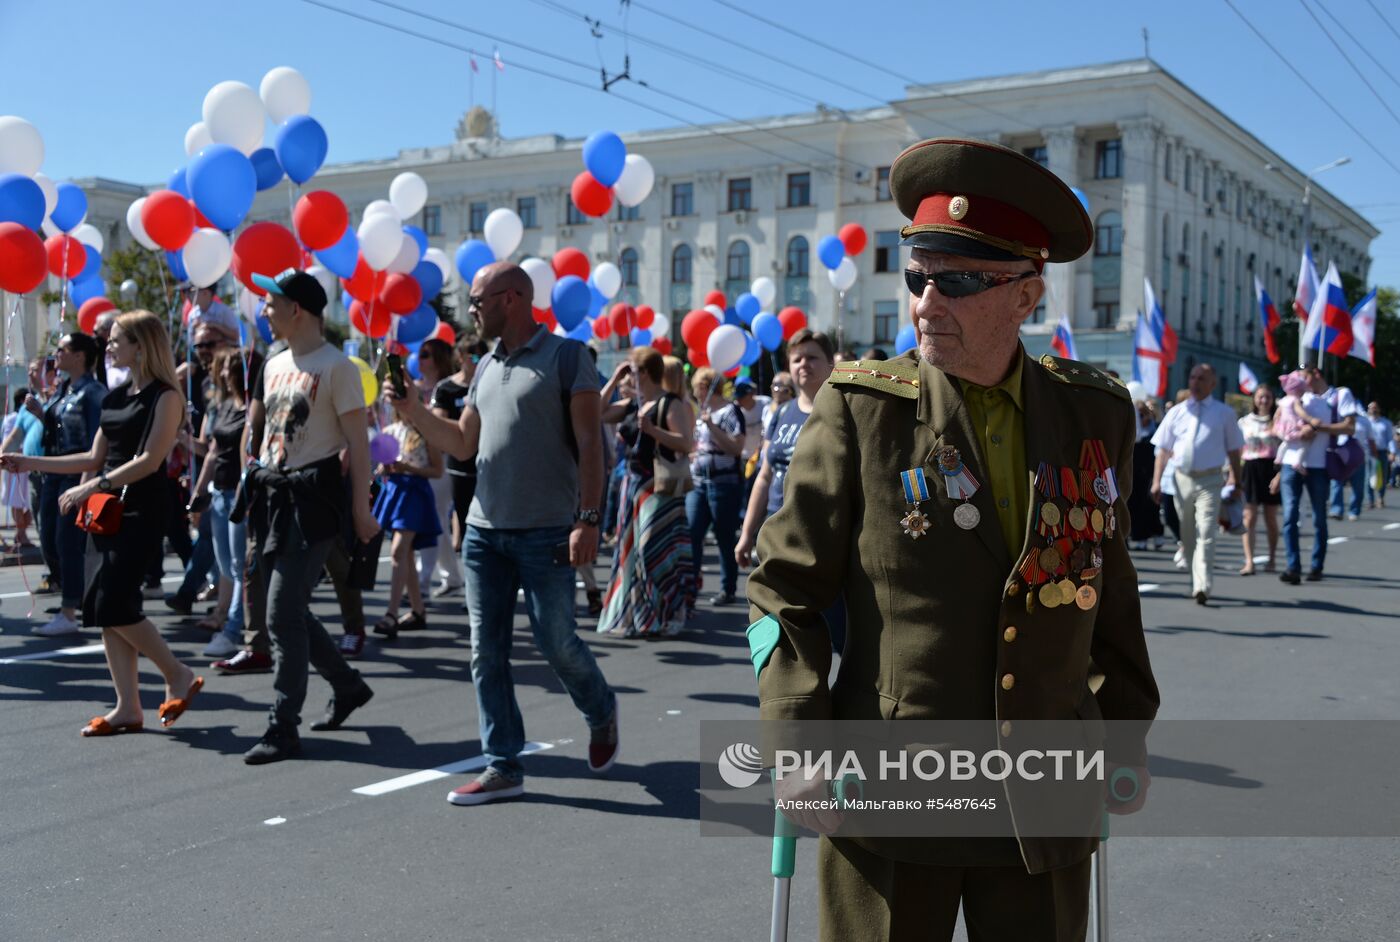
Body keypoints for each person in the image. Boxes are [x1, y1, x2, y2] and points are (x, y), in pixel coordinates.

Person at [745, 138, 1157, 940]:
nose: (927, 302)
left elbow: (1110, 596)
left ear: (1027, 296)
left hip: (1044, 803)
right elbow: (781, 589)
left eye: (960, 281)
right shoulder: (862, 409)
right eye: (917, 276)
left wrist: (1117, 734)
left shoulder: (1094, 415)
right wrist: (796, 736)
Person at [385, 261, 618, 806]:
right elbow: (463, 444)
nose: (471, 309)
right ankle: (502, 765)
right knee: (485, 653)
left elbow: (591, 447)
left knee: (557, 643)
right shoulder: (485, 364)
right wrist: (414, 410)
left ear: (511, 298)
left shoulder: (567, 358)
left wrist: (588, 519)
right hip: (485, 535)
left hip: (548, 533)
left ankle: (601, 710)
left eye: (478, 300)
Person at [2, 311, 203, 736]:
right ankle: (127, 706)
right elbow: (92, 458)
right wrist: (27, 463)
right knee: (105, 608)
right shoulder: (116, 397)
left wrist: (93, 485)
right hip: (106, 506)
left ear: (141, 345)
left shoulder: (166, 396)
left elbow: (150, 461)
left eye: (116, 340)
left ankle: (177, 673)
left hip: (142, 507)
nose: (108, 346)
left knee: (114, 602)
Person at [240, 268, 379, 765]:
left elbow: (358, 447)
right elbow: (255, 430)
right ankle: (347, 686)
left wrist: (362, 511)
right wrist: (248, 475)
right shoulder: (273, 363)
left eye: (270, 302)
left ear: (296, 308)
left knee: (279, 613)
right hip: (273, 501)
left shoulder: (337, 368)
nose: (264, 310)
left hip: (313, 504)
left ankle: (283, 727)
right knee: (291, 611)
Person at [596, 346, 696, 637]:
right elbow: (599, 412)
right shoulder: (631, 403)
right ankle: (642, 616)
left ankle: (672, 610)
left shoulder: (670, 404)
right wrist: (614, 379)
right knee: (631, 552)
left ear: (645, 372)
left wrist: (654, 431)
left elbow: (685, 443)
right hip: (633, 486)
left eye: (632, 370)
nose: (629, 375)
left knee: (653, 548)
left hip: (660, 487)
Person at [735, 330, 836, 570]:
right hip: (775, 528)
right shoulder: (782, 412)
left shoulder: (840, 411)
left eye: (812, 357)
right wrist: (747, 534)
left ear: (830, 363)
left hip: (819, 534)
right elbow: (764, 476)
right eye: (797, 359)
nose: (804, 364)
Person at [1150, 364, 1244, 605]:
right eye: (1192, 377)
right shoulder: (1177, 412)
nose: (1196, 382)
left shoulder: (1224, 413)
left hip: (1211, 479)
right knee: (1188, 533)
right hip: (1181, 479)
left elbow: (1234, 451)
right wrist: (1156, 481)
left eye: (1202, 378)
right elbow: (1163, 450)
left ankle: (1204, 584)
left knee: (1206, 530)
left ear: (1212, 383)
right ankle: (1195, 580)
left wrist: (1236, 479)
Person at [34, 332, 107, 635]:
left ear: (79, 356)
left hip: (75, 475)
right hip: (54, 473)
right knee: (49, 539)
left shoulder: (94, 393)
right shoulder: (65, 389)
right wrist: (40, 413)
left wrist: (85, 486)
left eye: (62, 350)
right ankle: (74, 596)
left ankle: (69, 609)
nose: (57, 355)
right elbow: (55, 431)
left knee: (67, 542)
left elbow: (95, 446)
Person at [189, 348, 249, 659]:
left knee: (240, 567)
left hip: (240, 495)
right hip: (219, 494)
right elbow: (211, 452)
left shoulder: (252, 411)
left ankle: (233, 630)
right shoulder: (224, 406)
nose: (222, 374)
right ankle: (230, 617)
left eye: (228, 368)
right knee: (225, 565)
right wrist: (199, 492)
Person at [370, 418, 443, 637]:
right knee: (406, 554)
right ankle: (418, 610)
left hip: (414, 493)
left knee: (398, 551)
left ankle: (391, 613)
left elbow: (438, 471)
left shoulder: (425, 430)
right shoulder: (390, 430)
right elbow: (381, 467)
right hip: (395, 491)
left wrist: (407, 467)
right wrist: (385, 468)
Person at [685, 367, 746, 605]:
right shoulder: (701, 413)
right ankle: (691, 585)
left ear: (705, 386)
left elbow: (736, 448)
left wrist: (712, 427)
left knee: (724, 536)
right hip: (699, 482)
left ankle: (727, 588)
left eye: (696, 387)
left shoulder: (731, 412)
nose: (694, 392)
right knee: (693, 533)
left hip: (724, 484)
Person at [414, 338, 465, 599]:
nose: (419, 359)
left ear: (439, 359)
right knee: (435, 522)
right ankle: (451, 576)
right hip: (415, 462)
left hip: (442, 461)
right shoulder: (413, 388)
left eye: (425, 354)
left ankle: (423, 580)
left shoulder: (449, 388)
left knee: (433, 519)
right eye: (419, 353)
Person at [1273, 370, 1332, 584]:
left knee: (1319, 518)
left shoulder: (1322, 404)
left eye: (1303, 377)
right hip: (1290, 464)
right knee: (1289, 516)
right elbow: (1276, 426)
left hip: (1316, 465)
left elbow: (1324, 426)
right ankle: (1293, 567)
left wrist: (1312, 428)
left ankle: (1316, 566)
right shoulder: (1288, 402)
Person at [1304, 367, 1364, 521]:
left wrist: (1318, 427)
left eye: (1305, 377)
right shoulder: (1303, 398)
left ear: (1316, 374)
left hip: (1332, 456)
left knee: (1319, 513)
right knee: (1293, 512)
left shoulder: (1341, 394)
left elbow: (1350, 427)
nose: (1302, 382)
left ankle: (1342, 509)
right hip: (1302, 460)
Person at [1236, 384, 1282, 575]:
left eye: (1268, 397)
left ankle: (1272, 558)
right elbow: (1237, 450)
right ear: (1254, 399)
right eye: (1260, 397)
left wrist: (1280, 474)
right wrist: (1232, 475)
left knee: (1270, 517)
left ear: (1272, 400)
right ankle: (1249, 561)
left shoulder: (1278, 421)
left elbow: (1285, 448)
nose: (1264, 400)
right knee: (1249, 517)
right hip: (1250, 468)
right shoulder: (1244, 422)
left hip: (1272, 468)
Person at [1, 390, 39, 550]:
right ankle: (21, 533)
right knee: (16, 500)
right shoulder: (12, 418)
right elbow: (9, 441)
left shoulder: (34, 416)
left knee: (32, 502)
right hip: (15, 466)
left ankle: (21, 532)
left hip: (30, 465)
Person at [1364, 401, 1392, 510]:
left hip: (1382, 452)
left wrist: (1392, 452)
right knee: (1368, 476)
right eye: (1371, 408)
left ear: (1379, 409)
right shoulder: (1366, 422)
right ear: (1368, 410)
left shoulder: (1386, 423)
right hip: (1369, 452)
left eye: (1375, 408)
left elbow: (1390, 439)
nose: (1373, 410)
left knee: (1382, 476)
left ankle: (1380, 498)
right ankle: (1370, 500)